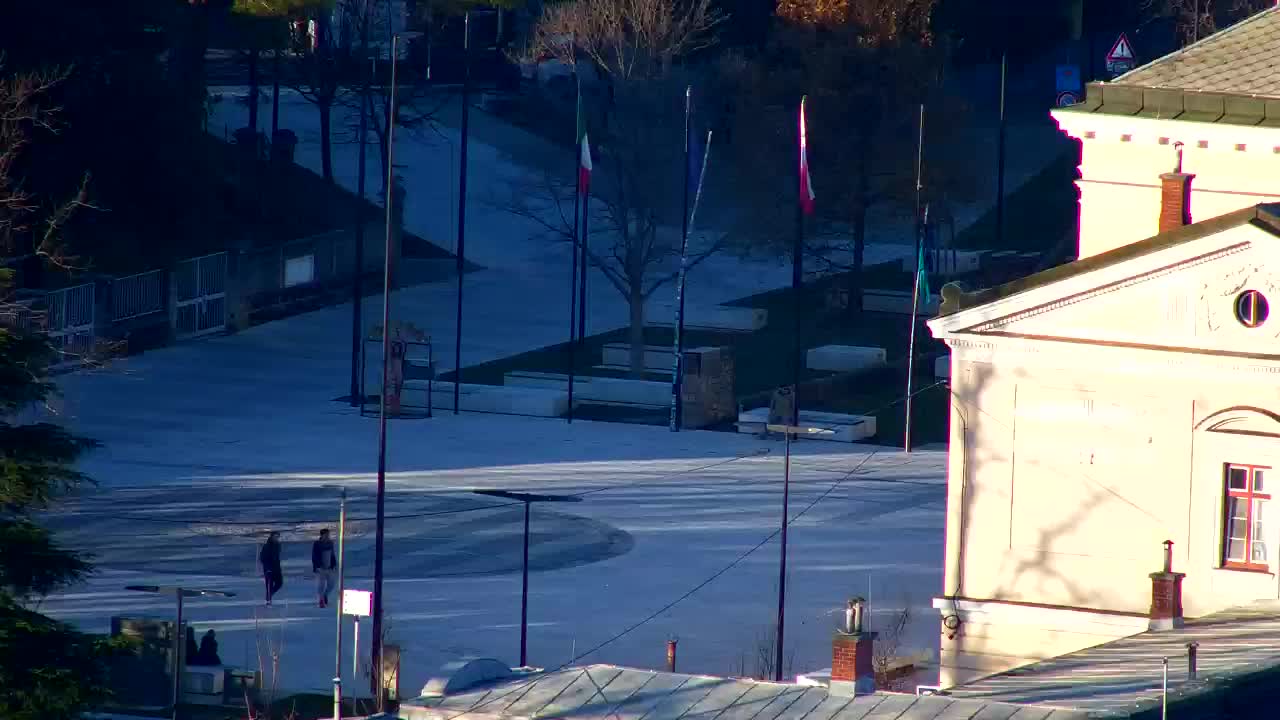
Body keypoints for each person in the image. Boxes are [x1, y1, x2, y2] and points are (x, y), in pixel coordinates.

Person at [312, 528, 337, 608]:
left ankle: (325, 595)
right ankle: (321, 600)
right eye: (326, 534)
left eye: (328, 534)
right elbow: (314, 556)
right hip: (320, 568)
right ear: (322, 535)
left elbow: (332, 554)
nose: (327, 536)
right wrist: (317, 566)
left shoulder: (330, 543)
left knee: (331, 584)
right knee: (321, 584)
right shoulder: (317, 544)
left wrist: (334, 564)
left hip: (329, 567)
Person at [260, 531, 283, 606]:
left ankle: (269, 595)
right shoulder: (267, 546)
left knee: (279, 583)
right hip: (269, 569)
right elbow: (263, 558)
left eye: (278, 537)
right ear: (271, 537)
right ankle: (268, 600)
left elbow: (277, 557)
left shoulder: (278, 545)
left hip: (277, 568)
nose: (277, 538)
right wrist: (267, 568)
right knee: (269, 585)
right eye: (275, 537)